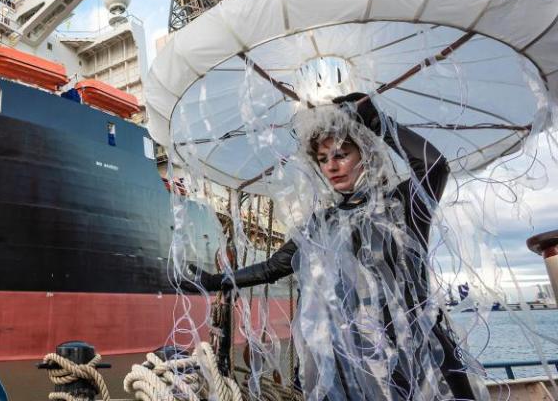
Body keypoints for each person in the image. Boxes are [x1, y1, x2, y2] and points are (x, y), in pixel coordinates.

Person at [194, 93, 481, 400]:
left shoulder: (402, 205)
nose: (331, 166)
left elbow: (433, 165)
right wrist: (215, 281)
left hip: (422, 357)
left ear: (366, 155)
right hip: (355, 370)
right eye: (323, 159)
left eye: (341, 154)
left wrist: (377, 121)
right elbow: (274, 267)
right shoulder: (322, 224)